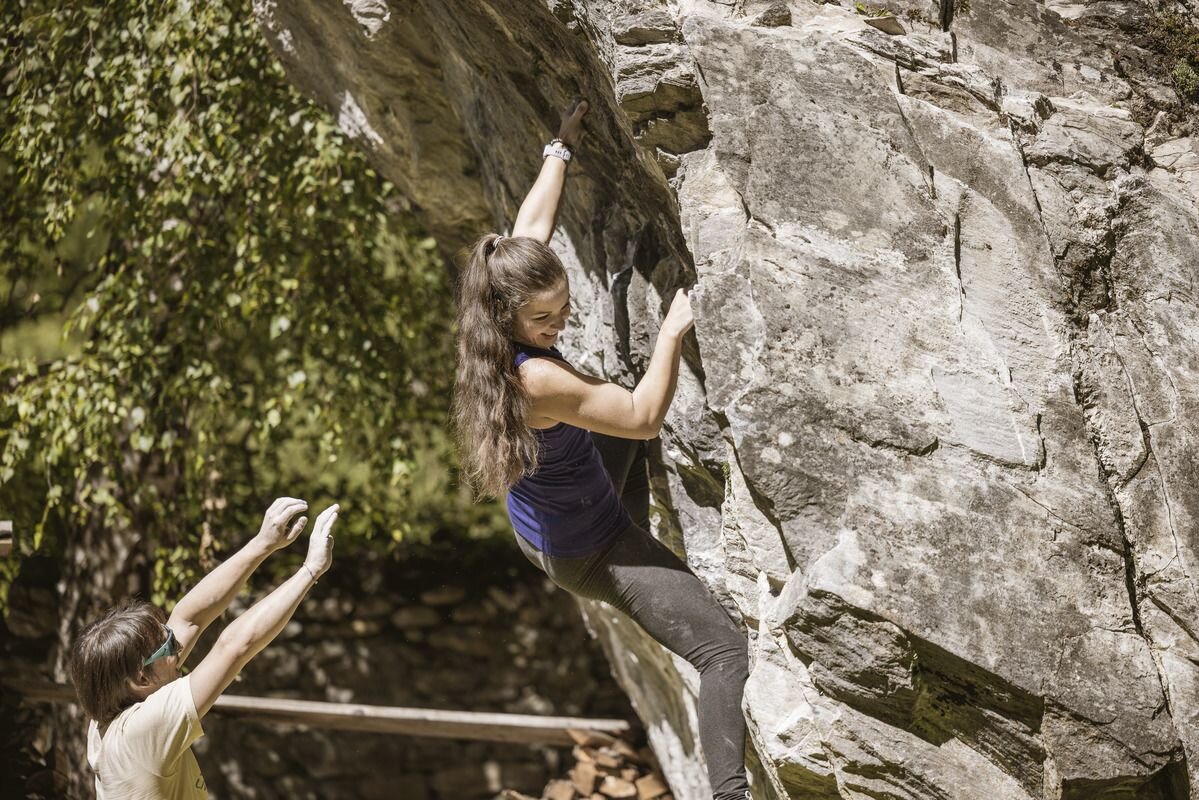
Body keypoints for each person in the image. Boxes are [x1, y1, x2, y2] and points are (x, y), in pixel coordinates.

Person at [452, 101, 752, 800]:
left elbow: (530, 227)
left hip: (546, 524)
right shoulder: (536, 379)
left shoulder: (491, 308)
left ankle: (641, 543)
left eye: (562, 307)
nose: (558, 323)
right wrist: (672, 330)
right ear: (508, 315)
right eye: (544, 318)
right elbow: (643, 419)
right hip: (591, 550)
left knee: (610, 428)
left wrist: (558, 148)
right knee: (723, 650)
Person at [69, 499, 338, 800]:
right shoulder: (143, 730)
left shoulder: (110, 703)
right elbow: (234, 646)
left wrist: (263, 542)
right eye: (167, 646)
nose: (176, 646)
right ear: (141, 678)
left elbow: (189, 619)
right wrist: (310, 570)